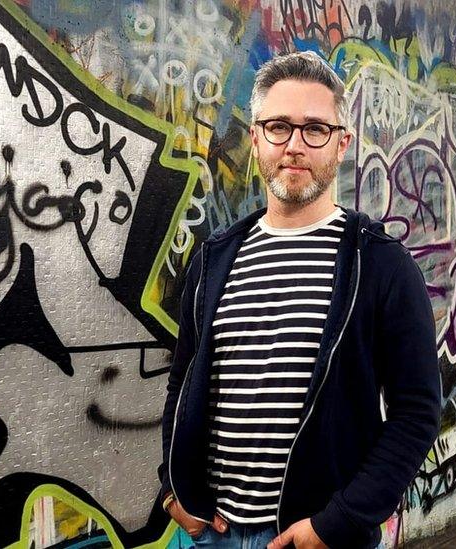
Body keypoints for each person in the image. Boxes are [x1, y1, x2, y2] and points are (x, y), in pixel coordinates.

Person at [157, 51, 441, 549]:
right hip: (214, 535)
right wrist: (173, 490)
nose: (294, 145)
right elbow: (181, 384)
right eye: (278, 127)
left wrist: (338, 522)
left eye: (315, 129)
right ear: (256, 138)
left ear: (341, 143)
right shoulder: (213, 262)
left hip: (319, 538)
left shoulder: (380, 266)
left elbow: (416, 413)